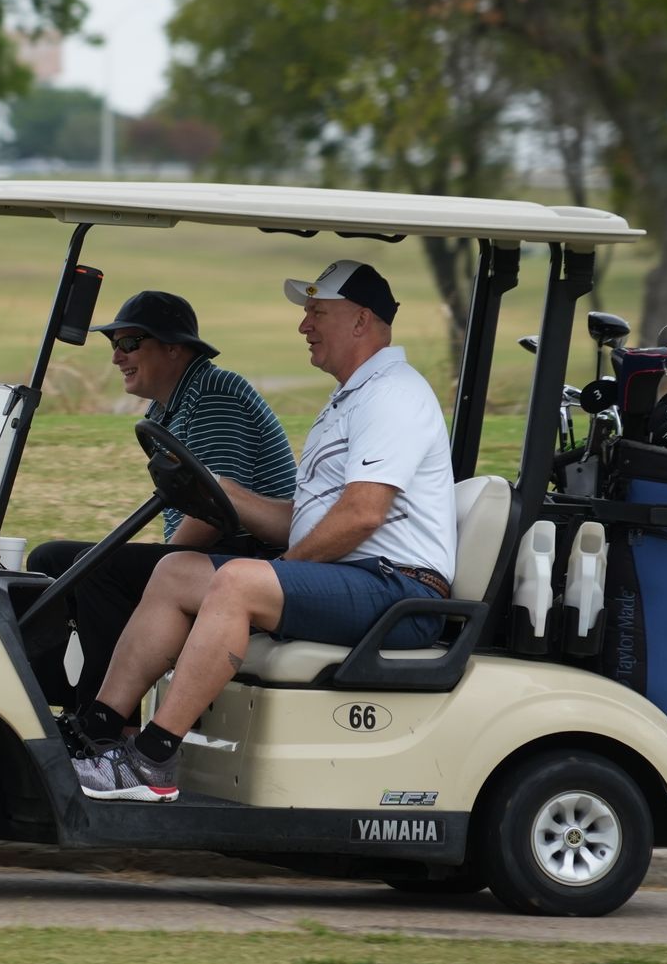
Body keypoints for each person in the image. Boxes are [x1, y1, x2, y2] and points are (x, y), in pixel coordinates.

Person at [69, 259, 457, 802]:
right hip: (357, 580)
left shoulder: (392, 394)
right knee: (177, 570)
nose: (304, 327)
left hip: (399, 589)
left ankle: (151, 761)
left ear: (361, 321)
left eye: (317, 313)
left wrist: (280, 572)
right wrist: (231, 494)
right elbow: (307, 518)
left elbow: (363, 513)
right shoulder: (352, 398)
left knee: (239, 583)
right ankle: (100, 733)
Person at [27, 290, 296, 713]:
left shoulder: (215, 394)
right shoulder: (166, 409)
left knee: (99, 571)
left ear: (173, 349)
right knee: (51, 561)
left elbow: (213, 515)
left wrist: (157, 572)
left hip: (254, 559)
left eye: (130, 343)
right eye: (113, 344)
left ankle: (105, 726)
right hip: (218, 554)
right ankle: (57, 707)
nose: (117, 356)